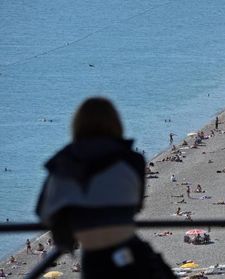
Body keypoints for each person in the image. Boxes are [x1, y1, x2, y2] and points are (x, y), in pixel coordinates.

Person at [35, 97, 174, 278]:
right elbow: (136, 205)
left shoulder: (62, 163)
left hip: (94, 256)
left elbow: (44, 212)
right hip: (129, 248)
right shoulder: (131, 160)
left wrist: (74, 216)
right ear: (116, 122)